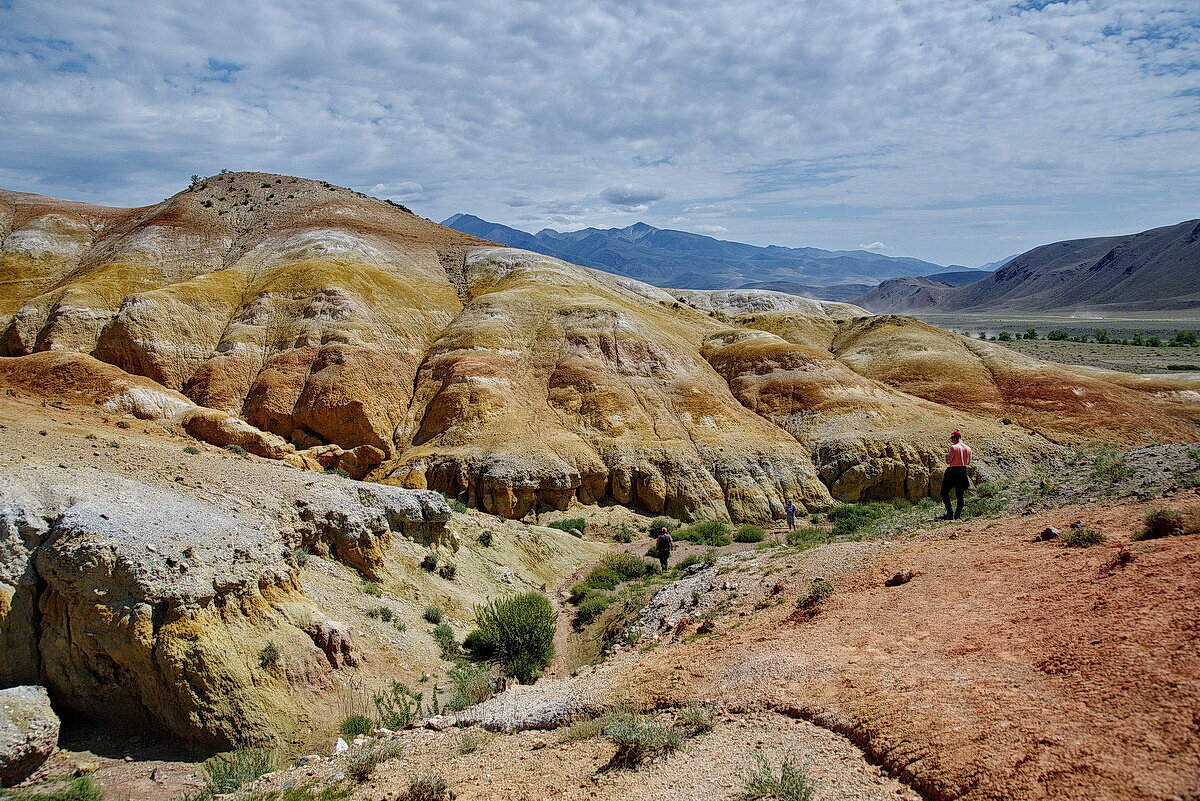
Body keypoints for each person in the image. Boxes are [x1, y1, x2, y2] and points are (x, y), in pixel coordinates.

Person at [940, 430, 973, 520]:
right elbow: (969, 462)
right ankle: (957, 515)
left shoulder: (953, 448)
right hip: (963, 471)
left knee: (944, 492)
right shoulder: (968, 448)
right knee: (960, 495)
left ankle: (950, 514)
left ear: (955, 438)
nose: (951, 441)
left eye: (952, 439)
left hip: (953, 471)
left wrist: (947, 456)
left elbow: (948, 461)